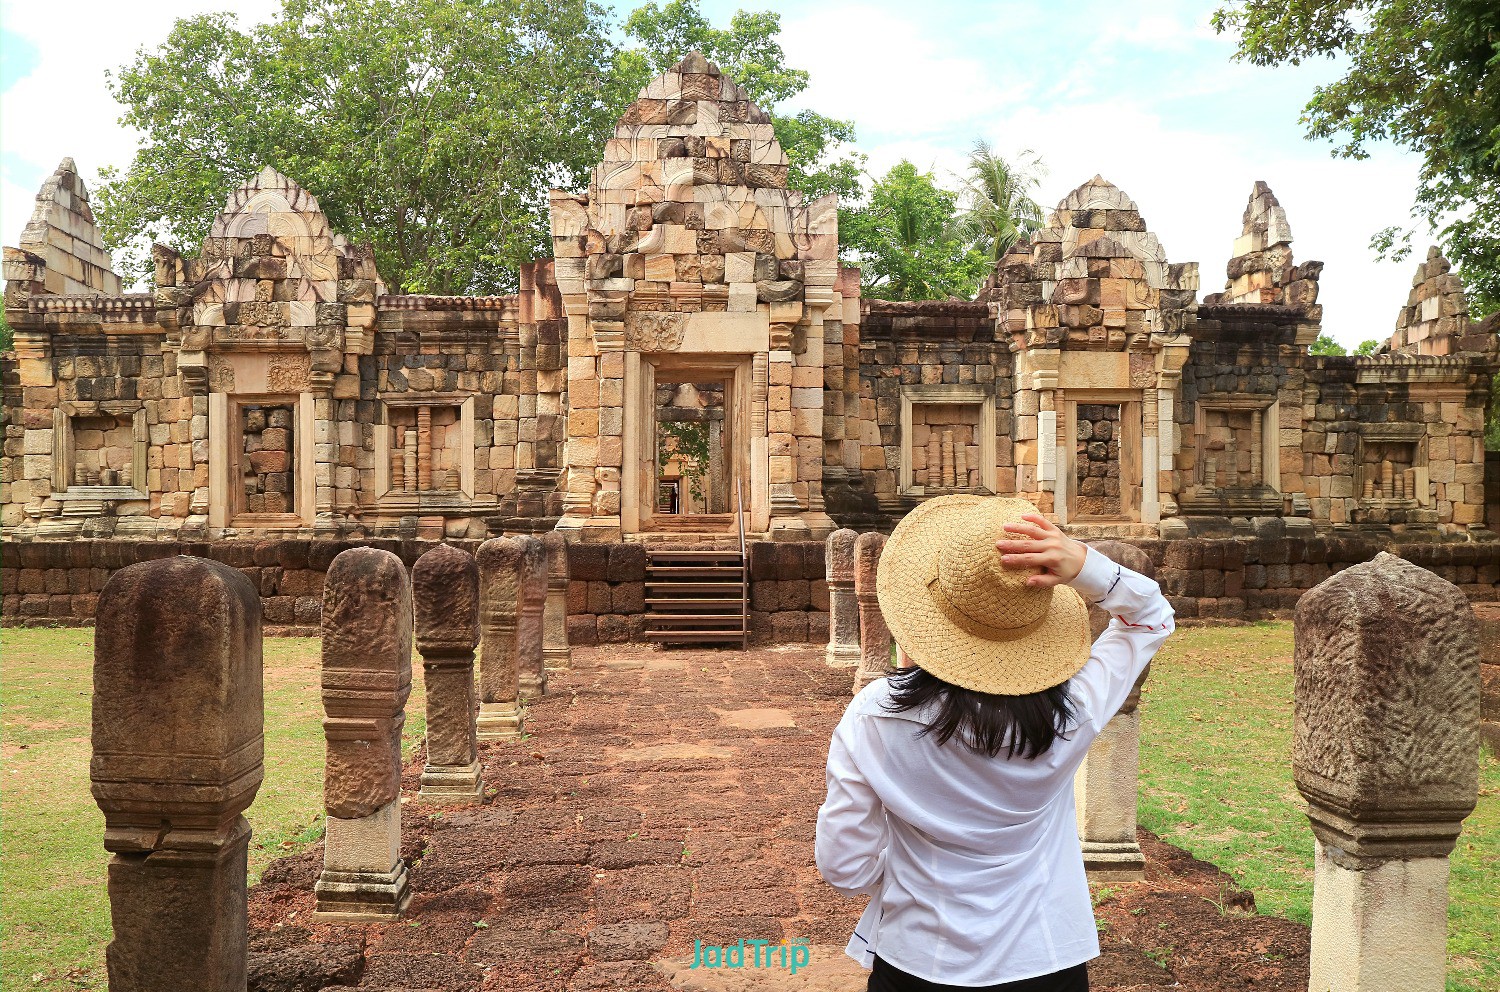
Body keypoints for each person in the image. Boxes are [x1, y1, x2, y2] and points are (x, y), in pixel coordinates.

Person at [815, 495, 1174, 992]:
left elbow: (845, 866)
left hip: (917, 954)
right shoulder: (1074, 709)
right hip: (1044, 954)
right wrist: (1086, 566)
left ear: (923, 612)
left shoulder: (877, 714)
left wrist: (907, 879)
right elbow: (1150, 617)